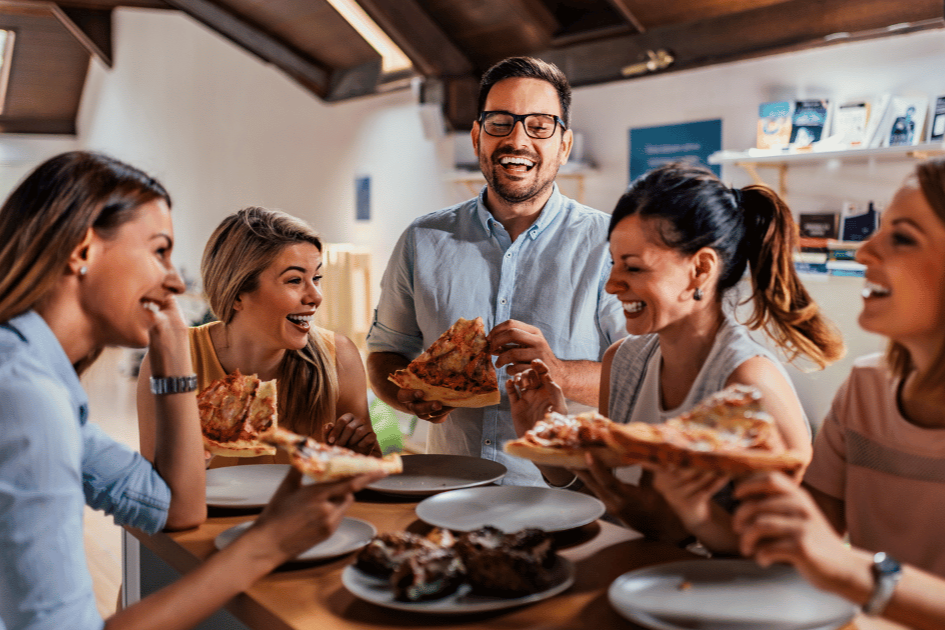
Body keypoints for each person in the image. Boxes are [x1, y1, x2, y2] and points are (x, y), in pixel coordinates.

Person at [0, 151, 386, 630]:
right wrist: (266, 544)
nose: (175, 280)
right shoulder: (25, 399)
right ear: (82, 251)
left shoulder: (48, 390)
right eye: (159, 251)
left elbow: (173, 507)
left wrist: (175, 362)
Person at [509, 161, 844, 546]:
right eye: (614, 264)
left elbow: (798, 556)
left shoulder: (750, 385)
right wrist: (549, 448)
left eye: (633, 268)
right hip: (635, 585)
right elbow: (613, 511)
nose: (613, 285)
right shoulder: (623, 362)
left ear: (700, 270)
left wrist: (692, 521)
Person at [366, 56, 625, 486]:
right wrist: (409, 398)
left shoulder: (609, 244)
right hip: (450, 489)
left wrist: (557, 372)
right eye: (500, 122)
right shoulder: (423, 239)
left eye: (540, 125)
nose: (517, 139)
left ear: (564, 145)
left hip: (572, 495)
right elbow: (384, 351)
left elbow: (645, 381)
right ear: (477, 137)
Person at [733, 157, 945, 630]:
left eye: (903, 237)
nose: (865, 251)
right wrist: (708, 498)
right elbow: (801, 548)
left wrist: (856, 572)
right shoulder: (865, 390)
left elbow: (834, 560)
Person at [138, 206, 378, 466]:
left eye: (316, 277)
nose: (316, 296)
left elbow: (369, 476)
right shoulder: (171, 359)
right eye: (295, 280)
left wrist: (359, 455)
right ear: (238, 293)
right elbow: (152, 489)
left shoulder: (338, 358)